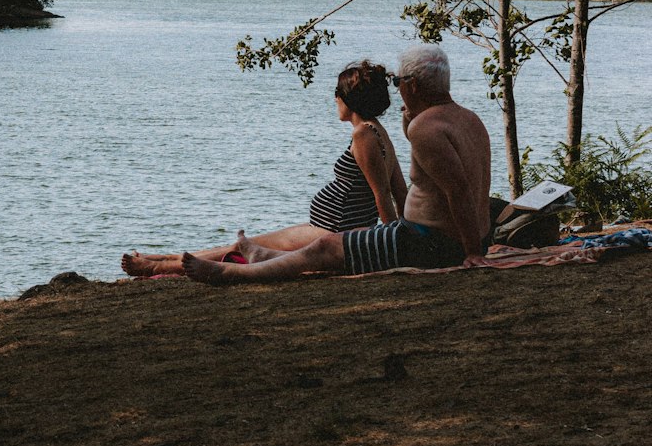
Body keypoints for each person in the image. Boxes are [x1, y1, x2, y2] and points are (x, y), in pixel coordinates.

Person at [181, 44, 491, 285]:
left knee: (325, 247)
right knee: (325, 248)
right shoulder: (467, 119)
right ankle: (263, 256)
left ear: (411, 85)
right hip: (444, 236)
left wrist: (473, 253)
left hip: (429, 244)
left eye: (397, 82)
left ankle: (230, 275)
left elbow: (459, 191)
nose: (396, 89)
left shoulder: (427, 129)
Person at [122, 59, 407, 279]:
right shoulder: (379, 132)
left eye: (337, 92)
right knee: (241, 246)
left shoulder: (364, 135)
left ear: (349, 98)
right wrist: (407, 231)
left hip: (333, 228)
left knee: (240, 249)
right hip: (329, 224)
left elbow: (383, 194)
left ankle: (159, 266)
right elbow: (400, 190)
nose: (334, 99)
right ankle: (161, 259)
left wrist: (392, 244)